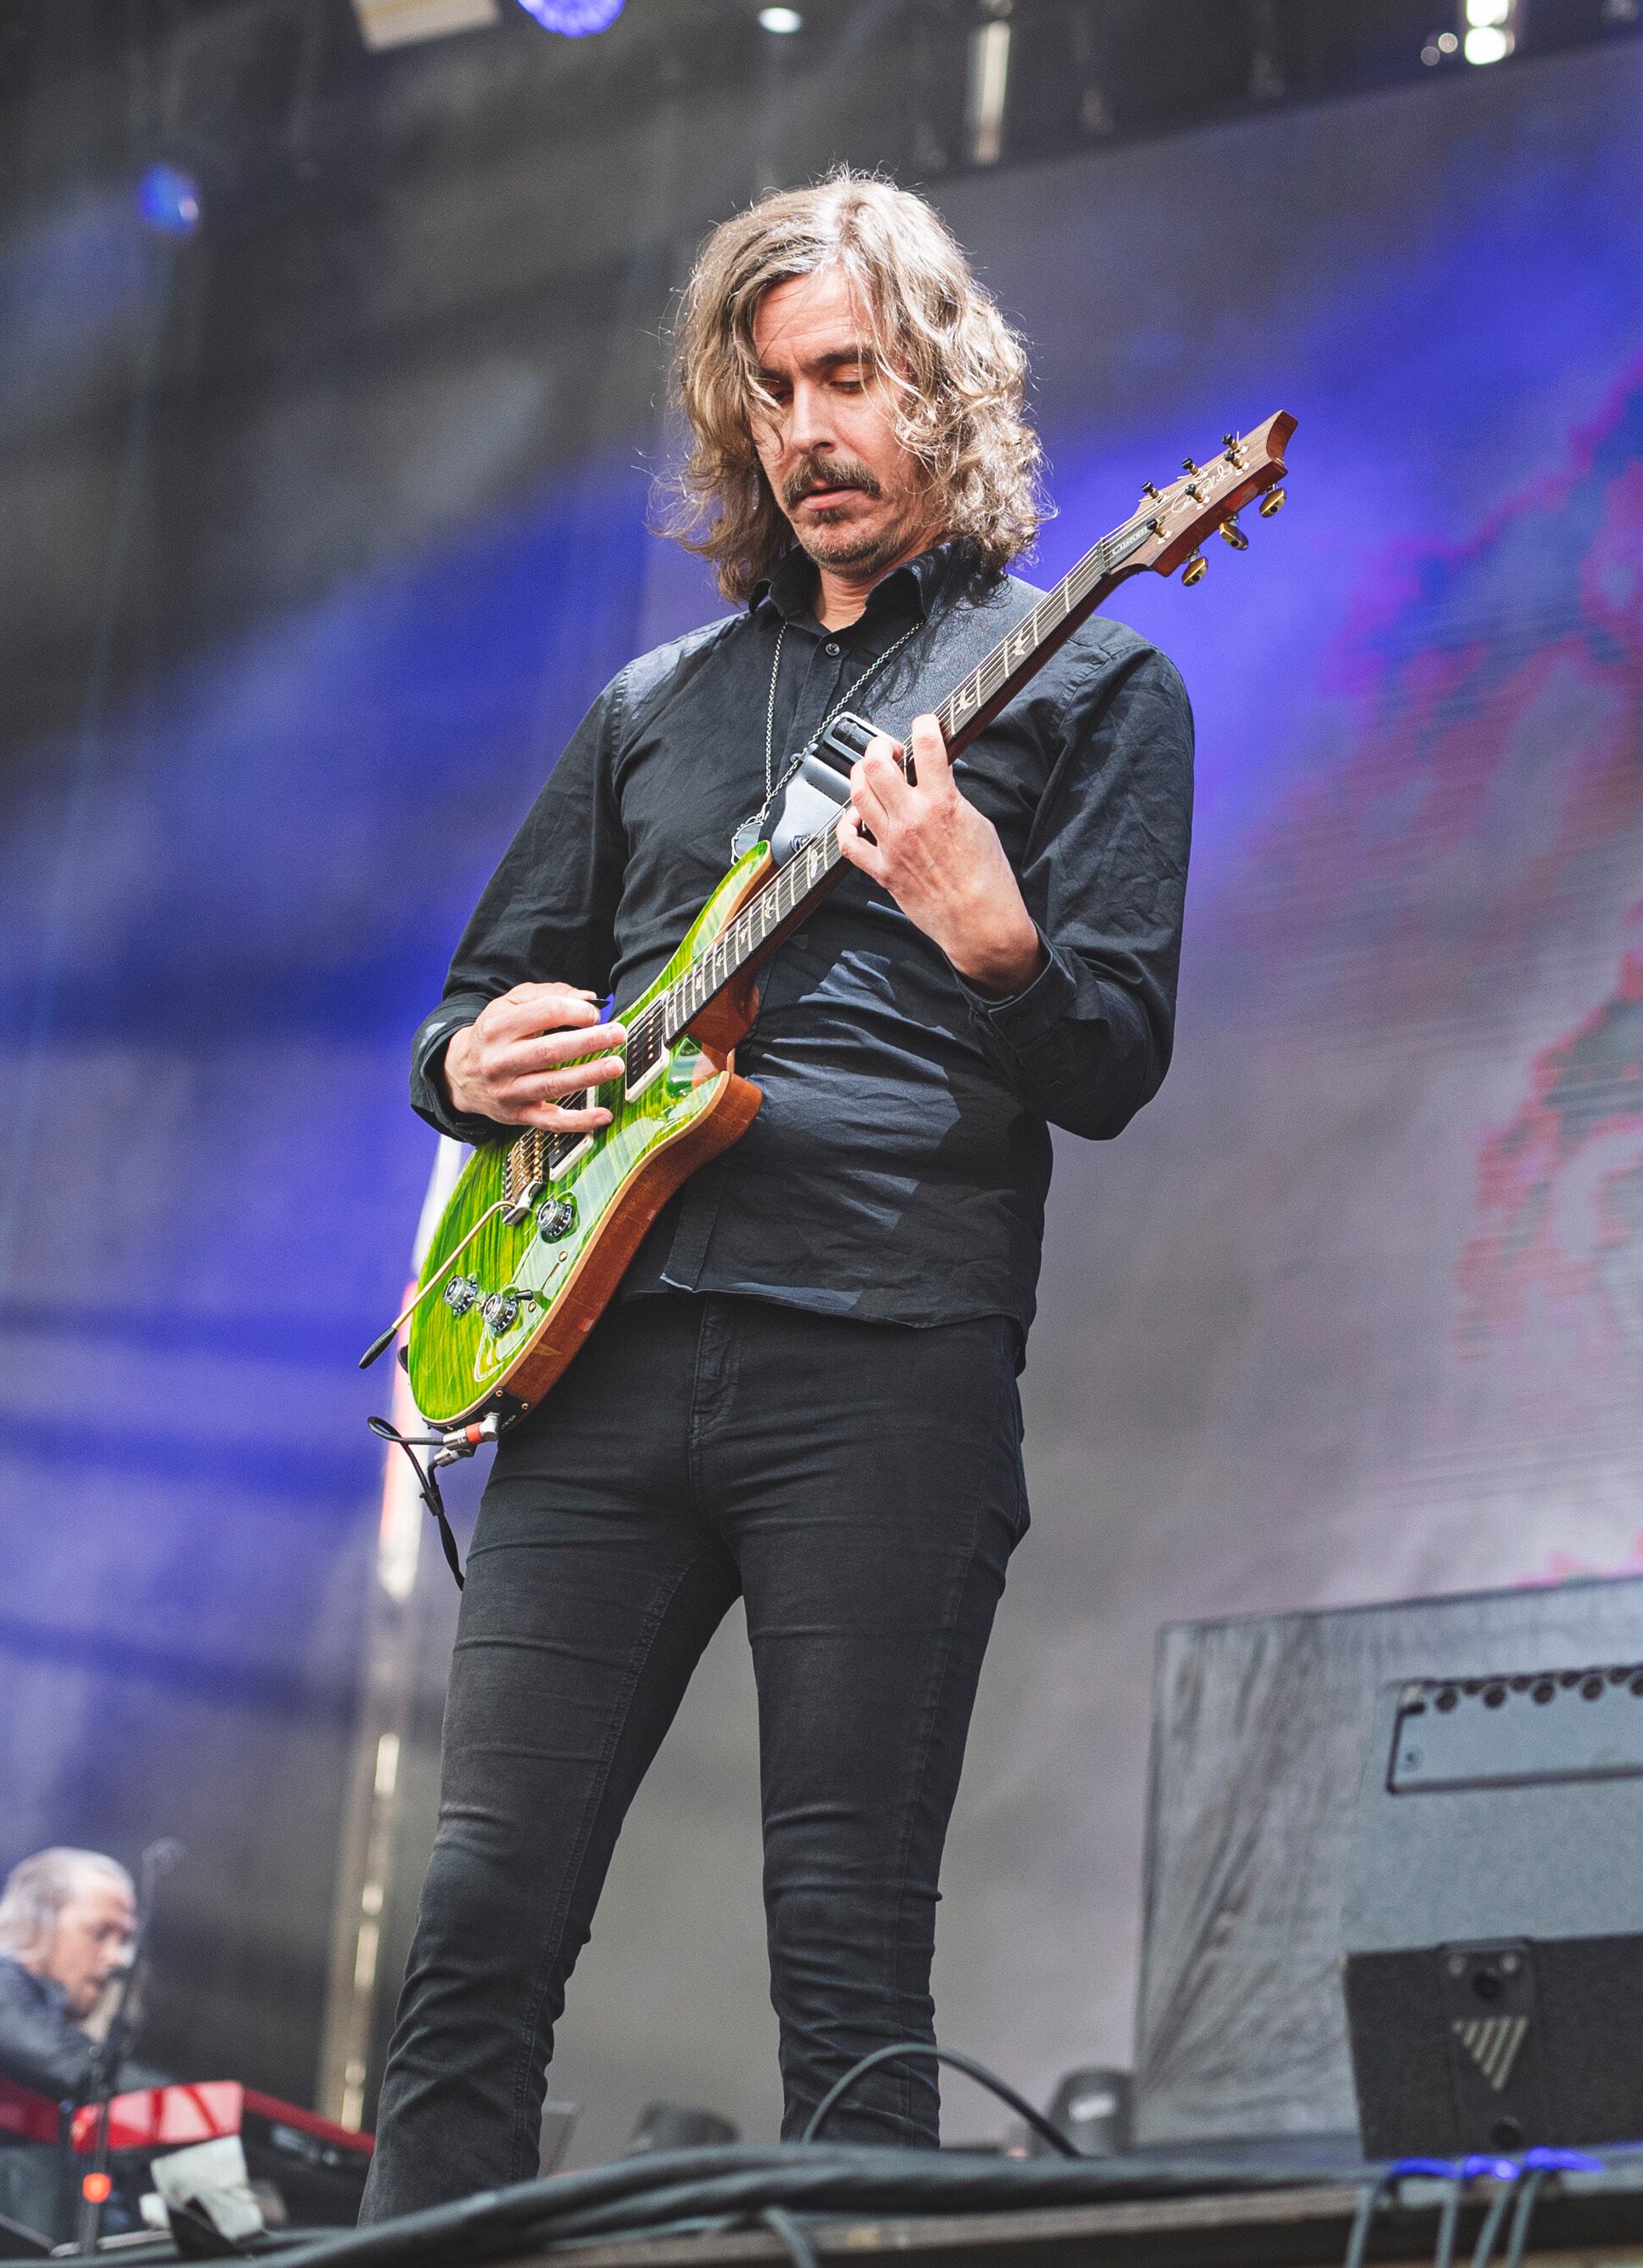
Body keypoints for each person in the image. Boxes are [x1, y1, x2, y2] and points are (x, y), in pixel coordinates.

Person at [367, 172, 1192, 2218]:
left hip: (882, 1361)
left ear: (945, 389)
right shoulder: (646, 711)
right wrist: (469, 1064)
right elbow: (467, 1017)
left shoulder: (1081, 684)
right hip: (600, 1362)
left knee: (844, 1967)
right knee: (473, 1927)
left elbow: (1109, 1062)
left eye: (849, 380)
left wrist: (991, 940)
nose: (805, 430)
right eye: (769, 394)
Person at [0, 1849, 134, 2100]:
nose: (118, 1958)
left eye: (125, 1939)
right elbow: (77, 2069)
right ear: (41, 1921)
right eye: (100, 1932)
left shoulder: (51, 2017)